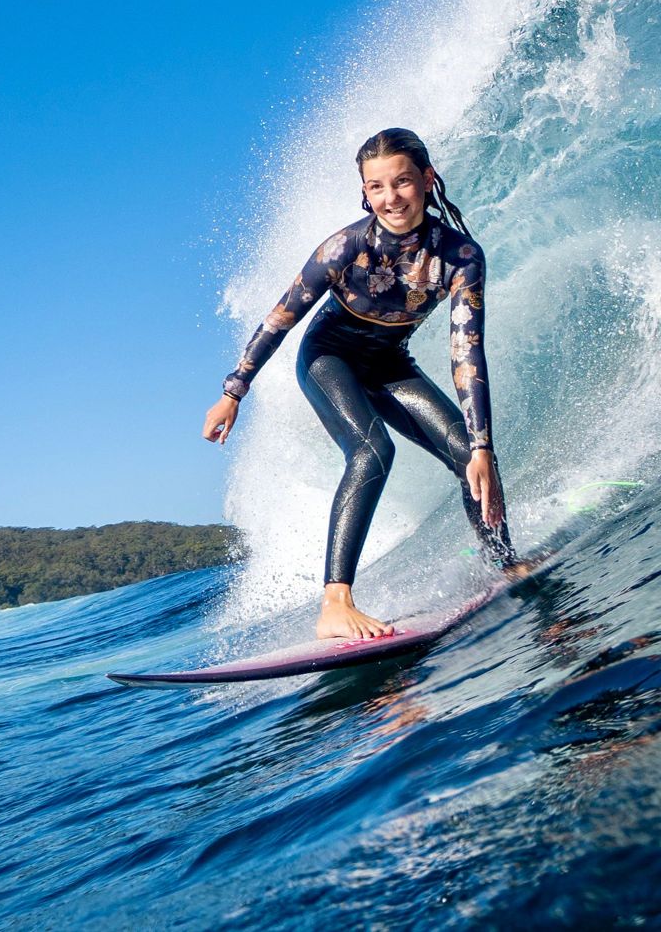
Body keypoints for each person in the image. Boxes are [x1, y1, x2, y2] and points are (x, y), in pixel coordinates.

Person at [202, 128, 515, 640]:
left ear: (427, 179)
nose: (391, 197)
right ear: (365, 192)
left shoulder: (460, 257)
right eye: (376, 187)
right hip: (329, 359)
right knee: (373, 450)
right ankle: (334, 603)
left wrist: (481, 443)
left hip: (391, 364)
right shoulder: (344, 248)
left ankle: (503, 562)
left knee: (472, 454)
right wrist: (233, 391)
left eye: (403, 181)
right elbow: (281, 318)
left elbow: (466, 351)